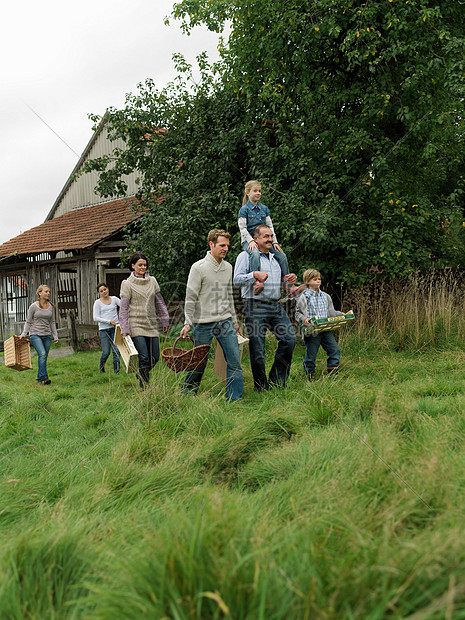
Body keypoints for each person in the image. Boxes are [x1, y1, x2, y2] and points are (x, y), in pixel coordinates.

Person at [180, 229, 243, 402]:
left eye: (227, 246)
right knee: (200, 362)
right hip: (203, 323)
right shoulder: (198, 268)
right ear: (211, 244)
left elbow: (229, 295)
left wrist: (235, 321)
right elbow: (190, 297)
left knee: (235, 361)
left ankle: (234, 399)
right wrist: (187, 322)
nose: (226, 249)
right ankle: (187, 393)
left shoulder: (228, 267)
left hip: (225, 321)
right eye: (222, 245)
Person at [233, 224, 297, 391]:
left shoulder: (277, 257)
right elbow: (236, 280)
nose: (270, 239)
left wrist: (290, 279)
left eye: (271, 236)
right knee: (258, 350)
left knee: (289, 339)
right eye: (266, 236)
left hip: (275, 305)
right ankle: (261, 387)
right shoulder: (245, 256)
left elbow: (284, 280)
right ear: (256, 239)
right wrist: (254, 275)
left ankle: (277, 381)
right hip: (254, 306)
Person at [238, 180, 305, 298]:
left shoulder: (264, 209)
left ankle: (288, 286)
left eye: (259, 191)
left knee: (281, 254)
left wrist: (274, 242)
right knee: (254, 253)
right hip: (249, 240)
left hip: (264, 238)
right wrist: (251, 241)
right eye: (255, 191)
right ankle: (256, 283)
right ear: (247, 192)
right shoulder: (244, 210)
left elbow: (270, 227)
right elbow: (242, 229)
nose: (258, 193)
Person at [119, 252, 169, 388]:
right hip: (135, 324)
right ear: (133, 265)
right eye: (140, 265)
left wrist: (165, 320)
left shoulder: (152, 281)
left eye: (145, 265)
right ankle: (144, 386)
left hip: (151, 324)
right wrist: (125, 328)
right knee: (144, 357)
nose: (143, 267)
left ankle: (141, 372)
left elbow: (159, 302)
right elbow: (123, 309)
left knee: (155, 357)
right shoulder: (127, 284)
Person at [295, 269, 346, 381]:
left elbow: (330, 312)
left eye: (319, 279)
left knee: (334, 350)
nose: (318, 281)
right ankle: (310, 375)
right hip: (312, 330)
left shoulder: (325, 296)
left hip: (325, 328)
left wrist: (340, 314)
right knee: (311, 354)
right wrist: (304, 319)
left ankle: (333, 373)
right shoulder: (304, 297)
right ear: (308, 281)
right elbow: (297, 313)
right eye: (315, 279)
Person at [20, 284, 59, 385]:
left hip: (47, 335)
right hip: (35, 334)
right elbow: (28, 321)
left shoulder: (51, 307)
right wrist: (24, 334)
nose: (48, 293)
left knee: (44, 356)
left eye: (49, 291)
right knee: (42, 354)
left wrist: (55, 336)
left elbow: (52, 322)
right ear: (39, 293)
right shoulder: (33, 306)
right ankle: (44, 378)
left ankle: (39, 377)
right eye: (46, 291)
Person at [93, 282, 120, 374]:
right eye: (101, 291)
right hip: (104, 330)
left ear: (108, 289)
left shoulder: (115, 299)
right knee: (106, 352)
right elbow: (95, 317)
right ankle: (101, 366)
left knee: (116, 350)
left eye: (105, 289)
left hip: (115, 328)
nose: (104, 292)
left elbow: (124, 307)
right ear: (99, 293)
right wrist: (108, 321)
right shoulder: (97, 303)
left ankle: (116, 371)